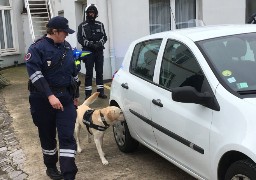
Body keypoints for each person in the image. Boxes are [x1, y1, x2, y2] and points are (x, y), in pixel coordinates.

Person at [25, 16, 80, 180]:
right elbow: (35, 75)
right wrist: (50, 96)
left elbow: (73, 72)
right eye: (64, 32)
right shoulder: (37, 48)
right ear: (54, 31)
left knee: (67, 137)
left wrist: (75, 95)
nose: (67, 35)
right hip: (42, 100)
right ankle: (51, 166)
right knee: (47, 135)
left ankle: (68, 174)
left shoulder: (67, 46)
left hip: (65, 99)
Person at [77, 4, 108, 99]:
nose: (91, 14)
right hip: (88, 52)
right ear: (87, 14)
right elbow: (80, 39)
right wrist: (90, 44)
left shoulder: (100, 24)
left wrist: (99, 44)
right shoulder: (82, 26)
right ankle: (88, 94)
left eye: (93, 13)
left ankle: (100, 92)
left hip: (99, 51)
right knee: (89, 73)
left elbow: (104, 37)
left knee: (99, 72)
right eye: (90, 12)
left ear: (96, 14)